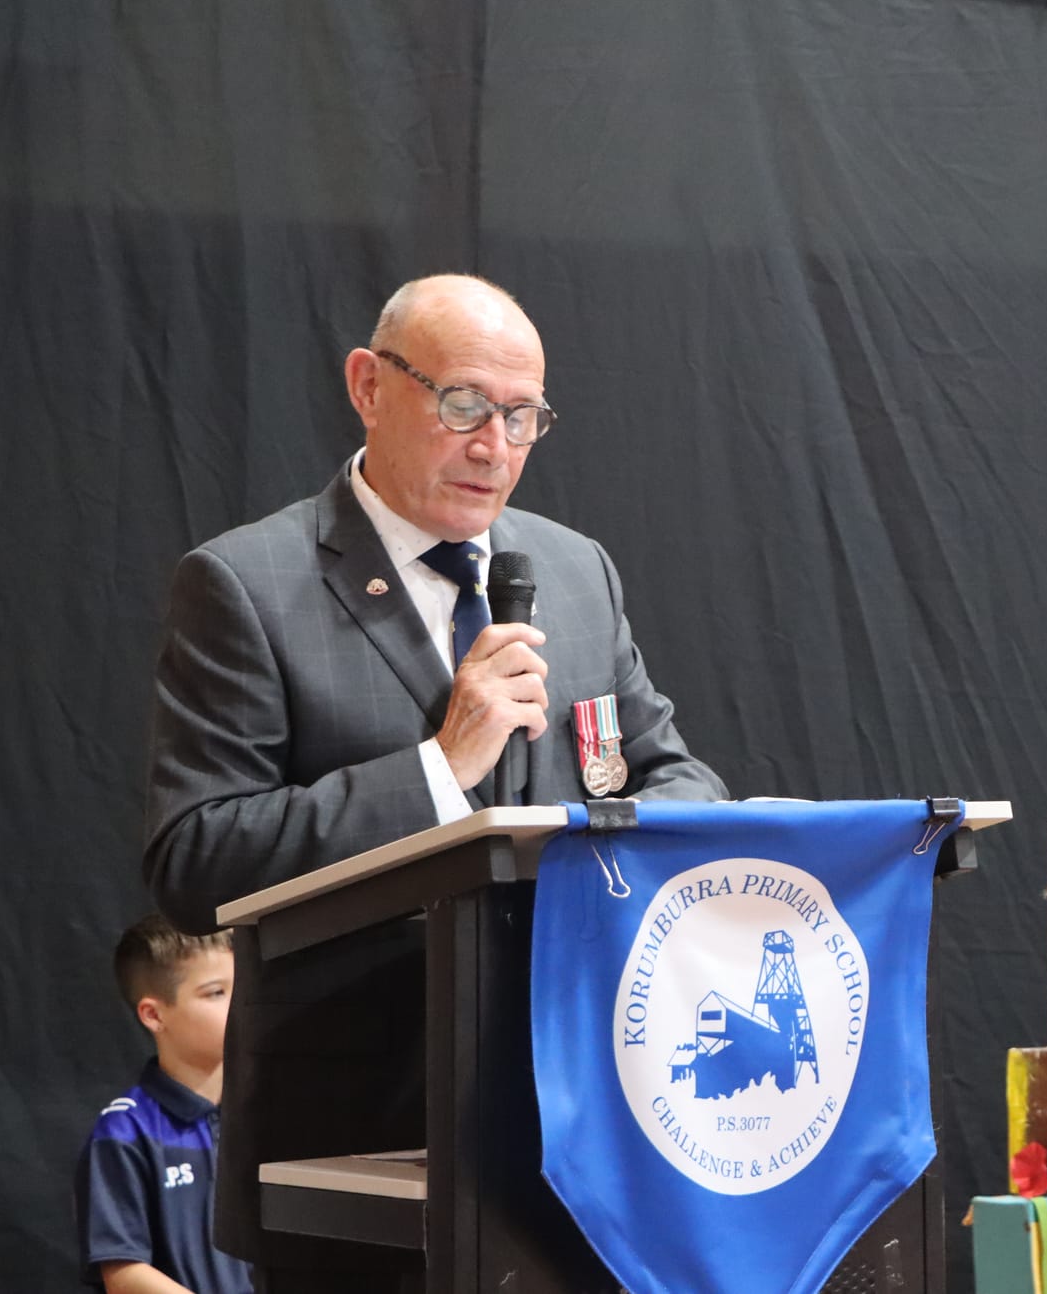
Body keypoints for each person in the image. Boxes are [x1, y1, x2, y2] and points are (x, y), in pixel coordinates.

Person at [142, 274, 728, 1286]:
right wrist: (439, 769)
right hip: (356, 1130)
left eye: (521, 416)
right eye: (463, 403)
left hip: (577, 1111)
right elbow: (195, 856)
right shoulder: (248, 584)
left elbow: (676, 775)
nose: (493, 443)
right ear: (368, 386)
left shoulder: (575, 569)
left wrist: (605, 844)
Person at [75, 915, 254, 1294]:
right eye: (215, 993)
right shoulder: (125, 1132)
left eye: (243, 987)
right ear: (154, 1014)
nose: (241, 1005)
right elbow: (123, 1273)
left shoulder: (267, 1114)